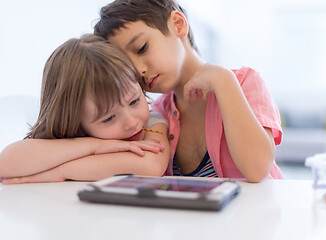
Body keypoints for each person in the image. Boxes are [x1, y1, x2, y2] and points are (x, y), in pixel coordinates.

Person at [93, 0, 284, 182]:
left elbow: (257, 169)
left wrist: (224, 81)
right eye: (128, 66)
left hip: (254, 214)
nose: (139, 70)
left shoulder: (243, 83)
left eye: (142, 48)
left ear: (178, 24)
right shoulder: (158, 114)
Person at [0, 34, 170, 184]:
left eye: (134, 101)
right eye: (109, 118)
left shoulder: (154, 122)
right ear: (76, 122)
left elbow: (151, 166)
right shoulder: (75, 137)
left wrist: (60, 171)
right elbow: (5, 164)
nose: (132, 123)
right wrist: (94, 146)